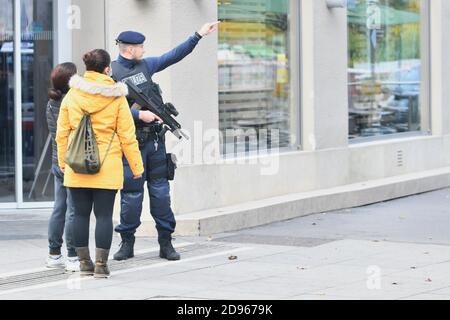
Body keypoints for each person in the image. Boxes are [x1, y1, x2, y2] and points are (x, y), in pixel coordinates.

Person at [111, 22, 220, 262]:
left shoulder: (146, 65)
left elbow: (173, 56)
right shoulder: (111, 74)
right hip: (131, 144)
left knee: (161, 193)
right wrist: (139, 114)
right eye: (140, 46)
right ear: (129, 49)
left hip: (156, 142)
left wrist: (197, 35)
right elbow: (106, 109)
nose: (144, 50)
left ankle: (166, 243)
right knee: (131, 196)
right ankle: (126, 242)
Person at [56, 49, 144, 278]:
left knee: (80, 215)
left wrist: (63, 161)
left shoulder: (72, 94)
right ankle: (101, 266)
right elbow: (127, 135)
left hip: (77, 164)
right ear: (107, 69)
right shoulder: (116, 97)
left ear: (87, 69)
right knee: (104, 216)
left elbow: (61, 133)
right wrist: (137, 166)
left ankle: (84, 264)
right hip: (108, 165)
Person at [46, 62, 79, 272]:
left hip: (56, 161)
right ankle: (72, 255)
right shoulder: (71, 102)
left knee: (59, 207)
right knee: (73, 210)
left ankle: (54, 253)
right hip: (71, 162)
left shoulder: (51, 102)